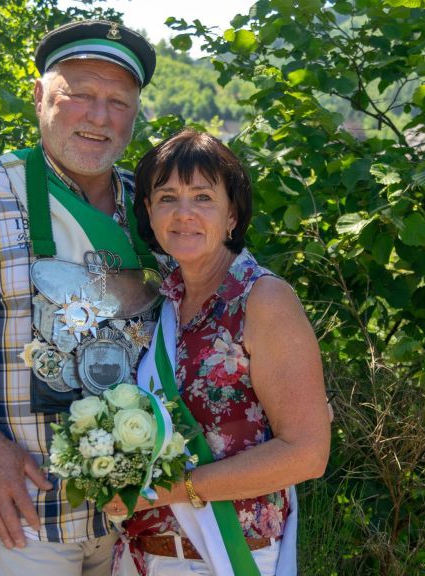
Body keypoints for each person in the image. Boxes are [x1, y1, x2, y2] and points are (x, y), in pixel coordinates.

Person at [0, 20, 158, 575]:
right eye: (80, 94)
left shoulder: (152, 205)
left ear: (136, 113)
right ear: (39, 95)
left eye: (119, 101)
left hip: (141, 508)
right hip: (23, 502)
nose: (99, 116)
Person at [107, 129, 332, 575]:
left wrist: (179, 489)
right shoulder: (162, 302)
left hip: (228, 555)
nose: (184, 213)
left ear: (232, 214)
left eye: (203, 198)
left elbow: (308, 453)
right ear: (149, 213)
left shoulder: (262, 299)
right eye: (167, 198)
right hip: (142, 557)